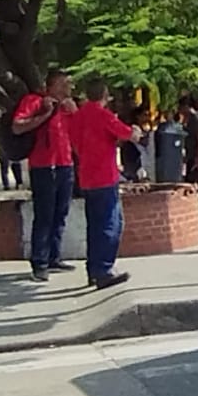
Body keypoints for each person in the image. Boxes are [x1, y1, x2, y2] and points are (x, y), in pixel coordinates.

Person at [12, 70, 78, 282]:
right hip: (43, 166)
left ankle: (53, 256)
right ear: (54, 85)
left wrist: (75, 114)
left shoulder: (68, 107)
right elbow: (17, 127)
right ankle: (39, 261)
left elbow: (79, 134)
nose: (69, 88)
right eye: (65, 84)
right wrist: (45, 115)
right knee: (45, 214)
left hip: (64, 164)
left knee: (61, 212)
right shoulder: (35, 101)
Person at [71, 79, 134, 289]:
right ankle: (104, 269)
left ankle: (94, 269)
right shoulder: (103, 114)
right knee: (111, 224)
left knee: (94, 225)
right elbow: (125, 133)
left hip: (87, 176)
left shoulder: (78, 116)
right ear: (105, 95)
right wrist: (135, 132)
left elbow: (76, 144)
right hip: (105, 176)